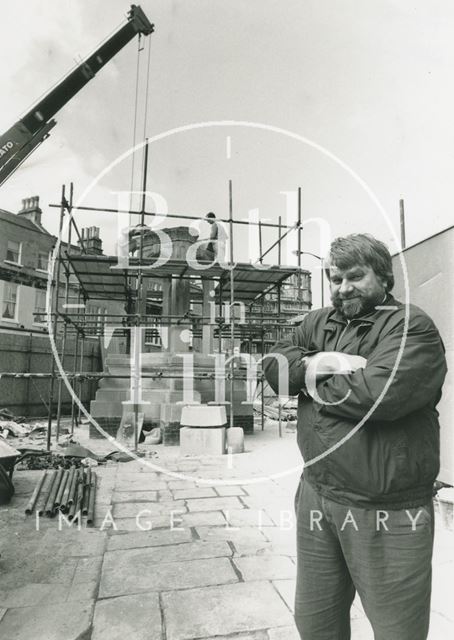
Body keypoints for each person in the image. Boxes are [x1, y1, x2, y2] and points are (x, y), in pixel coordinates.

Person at [263, 233, 447, 640]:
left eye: (355, 276)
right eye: (335, 278)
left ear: (383, 277)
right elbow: (274, 367)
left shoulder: (410, 326)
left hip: (385, 508)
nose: (343, 287)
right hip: (317, 494)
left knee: (396, 629)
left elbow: (376, 396)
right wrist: (325, 361)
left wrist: (305, 382)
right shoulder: (318, 322)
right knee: (315, 622)